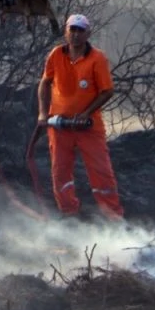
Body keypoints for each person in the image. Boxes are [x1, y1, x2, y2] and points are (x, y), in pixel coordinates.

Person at [38, 13, 123, 219]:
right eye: (72, 30)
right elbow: (45, 82)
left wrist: (85, 113)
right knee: (60, 172)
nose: (75, 35)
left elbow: (107, 91)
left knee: (101, 172)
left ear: (88, 33)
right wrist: (43, 113)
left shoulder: (97, 58)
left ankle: (113, 217)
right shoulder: (56, 55)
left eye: (80, 30)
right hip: (59, 126)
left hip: (88, 126)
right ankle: (69, 214)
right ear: (66, 31)